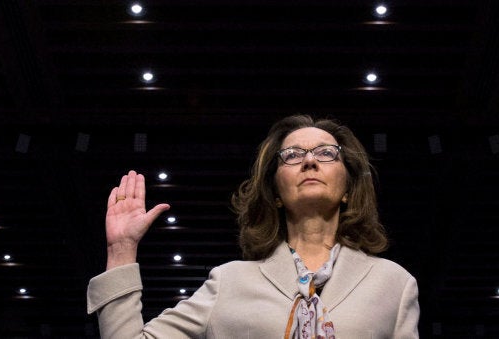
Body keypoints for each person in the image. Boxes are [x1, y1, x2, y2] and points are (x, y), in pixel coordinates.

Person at [87, 114, 420, 338]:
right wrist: (121, 250)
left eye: (326, 152)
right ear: (275, 192)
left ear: (348, 188)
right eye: (291, 155)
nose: (309, 160)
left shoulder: (394, 284)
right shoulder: (228, 282)